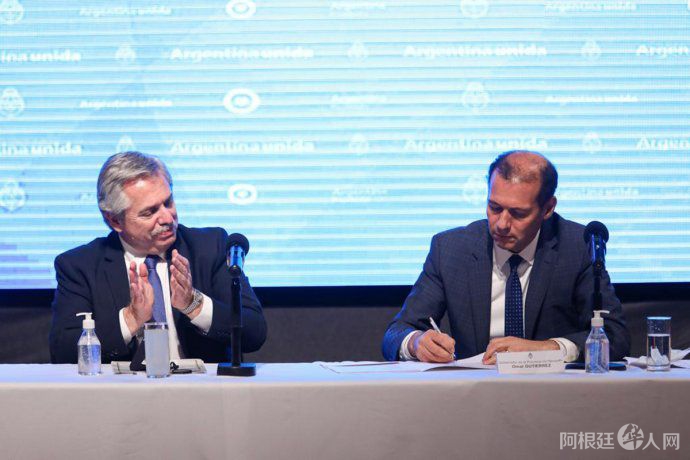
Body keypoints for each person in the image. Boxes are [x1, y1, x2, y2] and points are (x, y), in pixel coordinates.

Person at [382, 150, 630, 364]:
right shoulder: (450, 249)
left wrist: (547, 349)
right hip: (473, 392)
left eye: (518, 213)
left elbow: (615, 337)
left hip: (552, 392)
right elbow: (396, 333)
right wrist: (416, 342)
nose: (501, 223)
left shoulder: (577, 247)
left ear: (547, 208)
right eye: (494, 207)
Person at [50, 151, 267, 364]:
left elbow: (254, 331)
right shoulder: (79, 266)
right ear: (115, 220)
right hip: (124, 387)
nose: (167, 218)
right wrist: (131, 319)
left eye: (168, 202)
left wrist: (194, 304)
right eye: (149, 212)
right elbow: (63, 351)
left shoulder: (211, 247)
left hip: (201, 385)